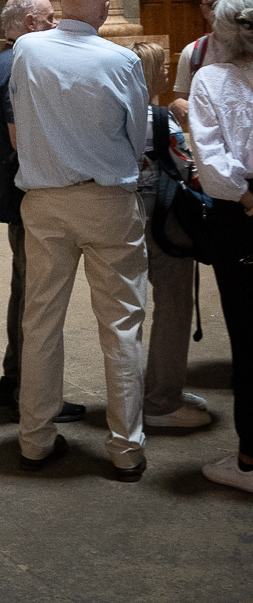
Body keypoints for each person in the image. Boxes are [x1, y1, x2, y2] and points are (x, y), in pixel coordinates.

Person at [9, 0, 150, 480]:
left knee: (41, 320)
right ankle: (126, 449)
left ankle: (35, 440)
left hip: (45, 201)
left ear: (61, 4)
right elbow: (138, 137)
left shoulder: (28, 50)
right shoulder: (121, 60)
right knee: (121, 324)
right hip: (107, 201)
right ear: (106, 8)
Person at [0, 0, 85, 426]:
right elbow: (20, 138)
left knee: (25, 290)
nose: (55, 24)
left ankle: (15, 379)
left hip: (17, 195)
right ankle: (30, 392)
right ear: (28, 23)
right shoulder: (17, 64)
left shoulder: (2, 61)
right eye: (48, 18)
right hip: (29, 196)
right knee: (36, 297)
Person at [188, 0, 253, 494]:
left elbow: (211, 167)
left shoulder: (211, 79)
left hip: (242, 217)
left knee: (248, 337)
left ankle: (249, 461)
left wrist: (248, 197)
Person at [130, 41, 210, 429]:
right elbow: (187, 169)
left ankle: (151, 390)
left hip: (129, 216)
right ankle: (162, 400)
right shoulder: (159, 119)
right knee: (174, 307)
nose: (167, 73)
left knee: (128, 312)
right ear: (149, 75)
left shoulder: (120, 115)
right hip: (164, 221)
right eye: (162, 67)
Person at [169, 0, 236, 131]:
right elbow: (180, 99)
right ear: (203, 10)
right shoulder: (193, 52)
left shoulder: (248, 49)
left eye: (226, 3)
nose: (219, 10)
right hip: (209, 140)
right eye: (213, 4)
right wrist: (177, 105)